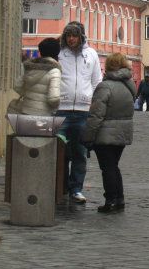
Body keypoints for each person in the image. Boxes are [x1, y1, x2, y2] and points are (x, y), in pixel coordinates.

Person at [83, 53, 135, 213]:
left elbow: (96, 114)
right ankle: (119, 199)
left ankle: (111, 200)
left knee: (108, 168)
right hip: (123, 133)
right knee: (114, 166)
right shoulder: (129, 85)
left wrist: (87, 136)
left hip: (105, 134)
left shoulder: (105, 86)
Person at [57, 21, 102, 204]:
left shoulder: (91, 55)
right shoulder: (60, 54)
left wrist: (93, 104)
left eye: (74, 35)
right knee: (59, 152)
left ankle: (76, 188)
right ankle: (60, 187)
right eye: (68, 36)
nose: (71, 39)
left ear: (81, 36)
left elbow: (96, 81)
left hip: (83, 111)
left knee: (80, 153)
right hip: (61, 110)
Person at [9, 37, 61, 116]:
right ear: (57, 53)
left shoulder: (30, 67)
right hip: (44, 115)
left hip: (25, 112)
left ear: (40, 52)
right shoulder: (55, 71)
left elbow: (17, 86)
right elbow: (53, 98)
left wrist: (29, 96)